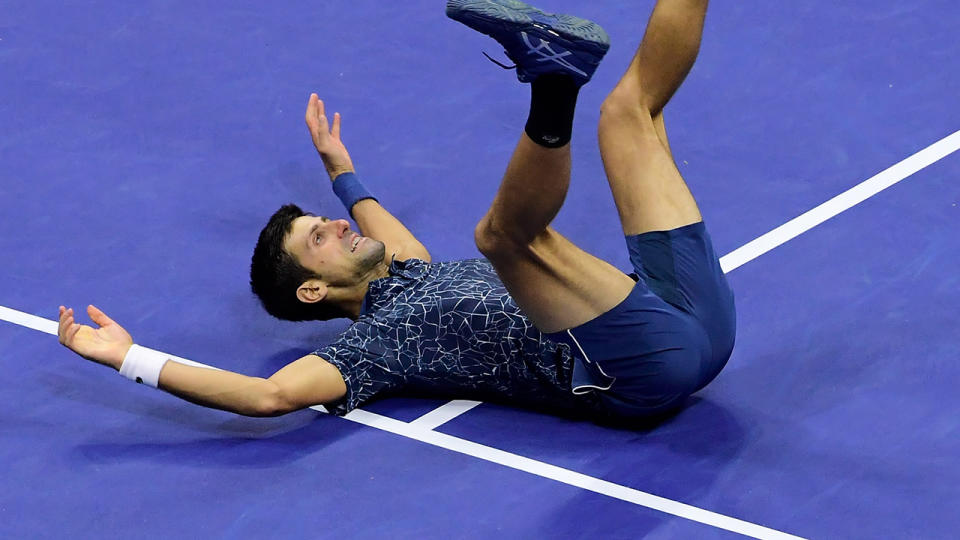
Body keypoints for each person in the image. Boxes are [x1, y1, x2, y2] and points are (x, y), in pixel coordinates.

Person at [58, 0, 734, 422]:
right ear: (312, 290)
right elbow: (265, 398)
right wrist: (129, 358)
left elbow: (371, 215)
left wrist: (339, 169)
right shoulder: (375, 349)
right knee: (501, 236)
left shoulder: (409, 268)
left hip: (692, 319)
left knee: (628, 114)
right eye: (318, 237)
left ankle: (564, 75)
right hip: (643, 369)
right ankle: (553, 83)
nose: (338, 223)